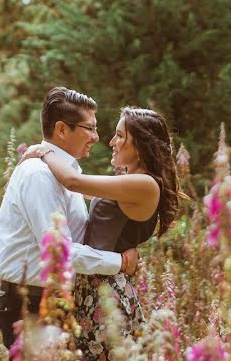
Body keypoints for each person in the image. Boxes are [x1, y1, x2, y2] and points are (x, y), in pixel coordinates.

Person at [20, 106, 184, 360]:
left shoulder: (145, 184)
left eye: (120, 136)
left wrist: (44, 151)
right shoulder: (130, 182)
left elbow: (73, 182)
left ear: (140, 145)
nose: (111, 142)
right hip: (92, 287)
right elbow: (78, 189)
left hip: (106, 292)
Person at [0, 87, 141, 354]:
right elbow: (61, 252)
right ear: (61, 129)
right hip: (30, 304)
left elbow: (81, 238)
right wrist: (121, 263)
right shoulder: (38, 174)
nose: (96, 137)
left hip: (57, 302)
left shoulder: (65, 175)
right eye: (89, 128)